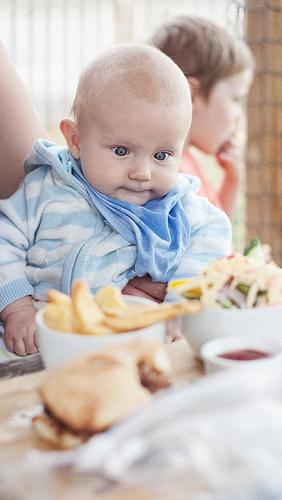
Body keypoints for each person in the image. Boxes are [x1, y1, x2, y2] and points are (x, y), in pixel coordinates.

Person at [0, 44, 231, 356]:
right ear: (75, 141)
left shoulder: (179, 210)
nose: (142, 173)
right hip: (39, 340)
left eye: (162, 155)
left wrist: (178, 307)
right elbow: (3, 240)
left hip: (130, 347)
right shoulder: (45, 191)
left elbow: (213, 239)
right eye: (122, 151)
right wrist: (16, 308)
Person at [149, 16, 254, 216]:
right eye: (236, 99)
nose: (239, 115)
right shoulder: (174, 176)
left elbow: (212, 231)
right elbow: (211, 245)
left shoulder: (182, 162)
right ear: (191, 95)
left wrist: (232, 181)